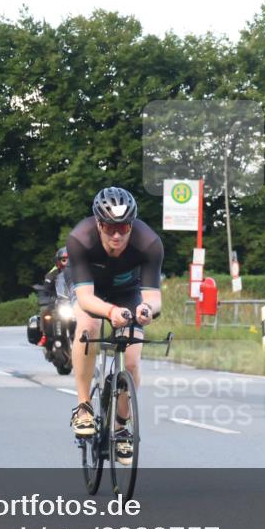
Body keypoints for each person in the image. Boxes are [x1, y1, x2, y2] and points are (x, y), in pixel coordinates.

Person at [66, 187, 163, 465]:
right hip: (92, 292)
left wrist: (146, 310)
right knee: (88, 327)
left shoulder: (149, 243)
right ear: (99, 223)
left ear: (132, 224)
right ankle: (84, 406)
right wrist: (110, 312)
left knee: (131, 361)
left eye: (123, 227)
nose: (117, 235)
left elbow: (154, 298)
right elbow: (85, 298)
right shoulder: (80, 239)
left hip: (128, 293)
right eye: (109, 228)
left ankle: (121, 426)